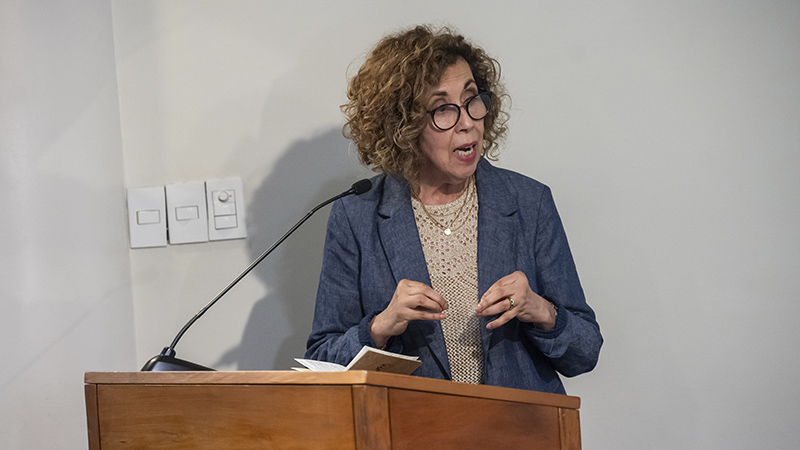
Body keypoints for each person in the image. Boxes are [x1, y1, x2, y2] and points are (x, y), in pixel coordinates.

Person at [305, 25, 602, 394]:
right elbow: (323, 360)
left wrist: (541, 311)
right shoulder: (356, 216)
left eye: (472, 100)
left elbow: (585, 351)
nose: (467, 123)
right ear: (404, 125)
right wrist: (381, 326)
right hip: (413, 430)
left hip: (521, 430)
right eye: (443, 109)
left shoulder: (529, 202)